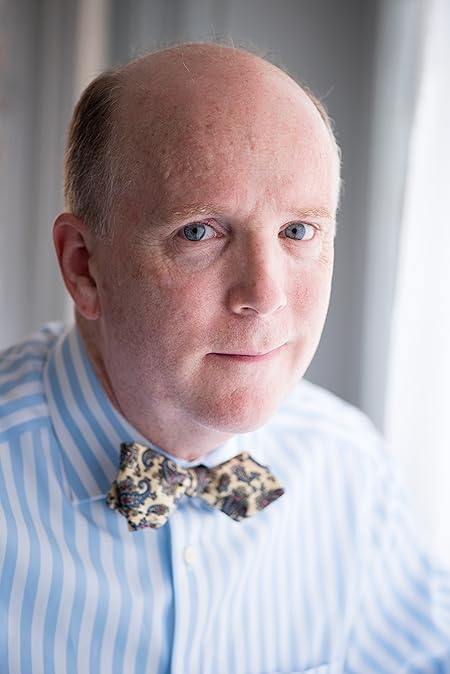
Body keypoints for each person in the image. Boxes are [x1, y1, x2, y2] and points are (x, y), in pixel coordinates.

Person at [0, 41, 449, 674]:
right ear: (84, 267)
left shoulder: (351, 472)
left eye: (298, 231)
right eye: (199, 231)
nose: (264, 295)